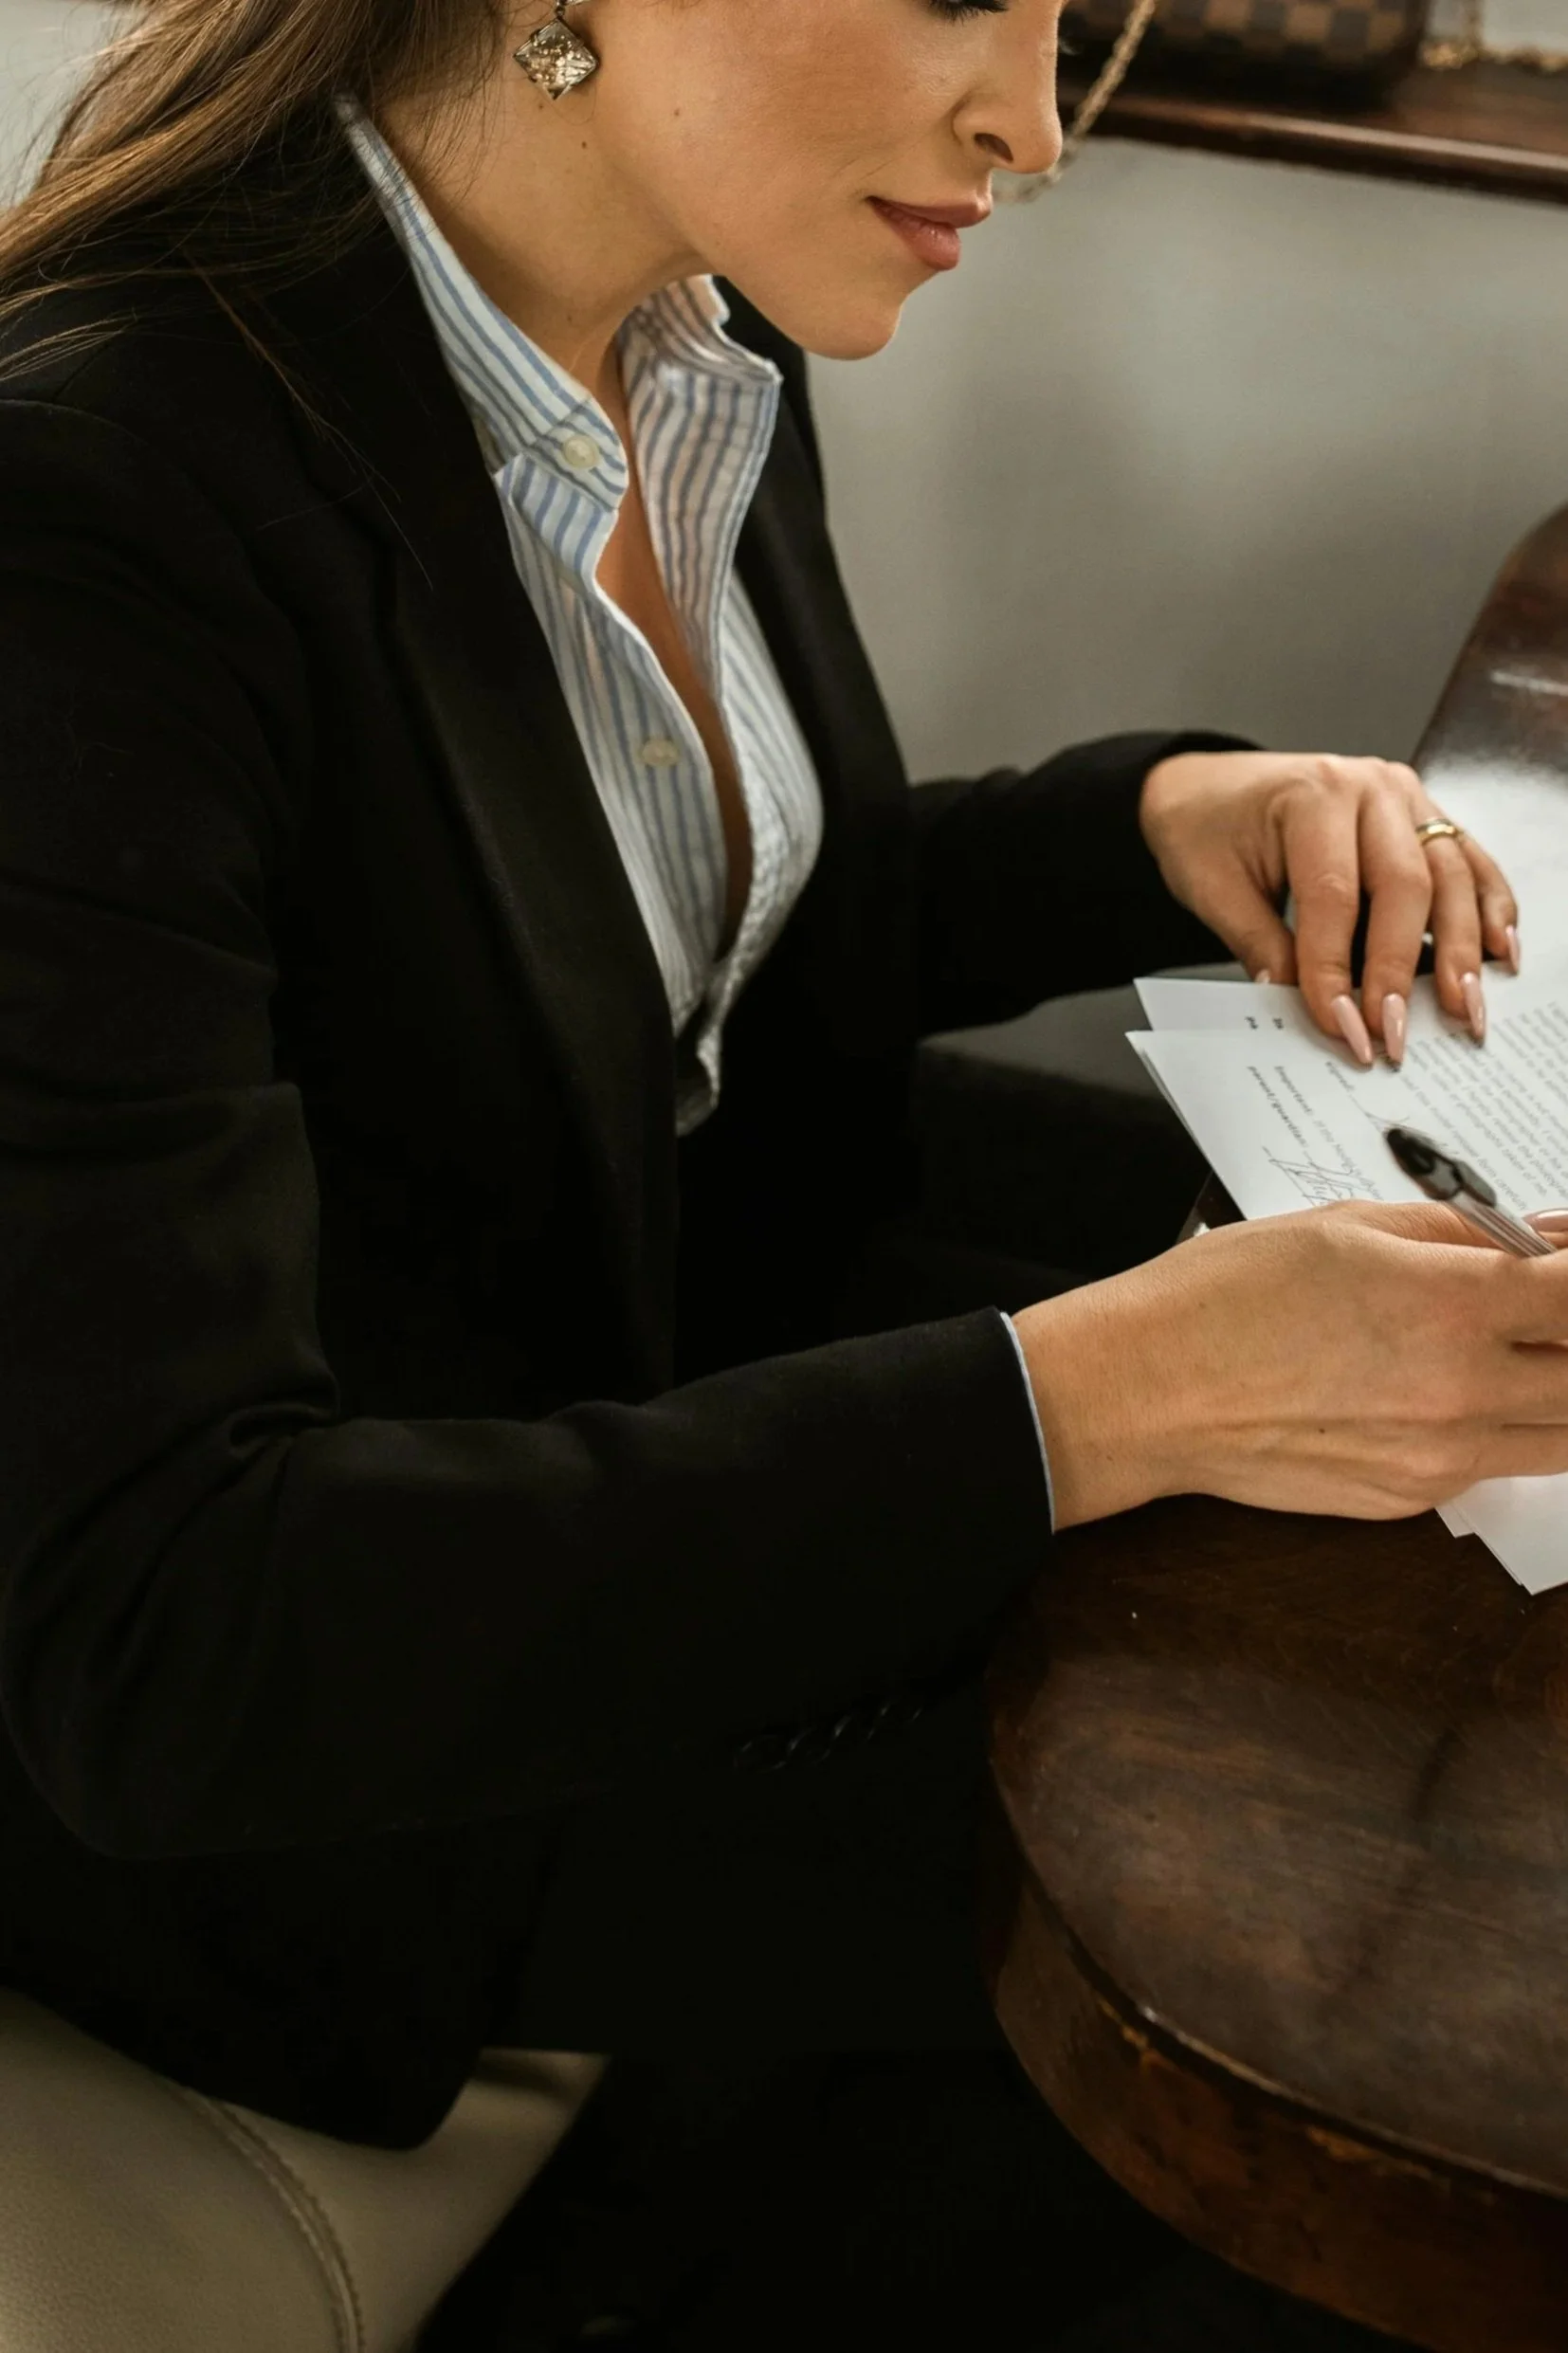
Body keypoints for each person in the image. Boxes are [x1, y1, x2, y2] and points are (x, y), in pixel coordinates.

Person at [0, 1, 1561, 2342]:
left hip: (649, 1402)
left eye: (1069, 16)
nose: (1031, 128)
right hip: (330, 1777)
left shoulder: (689, 328)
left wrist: (1147, 819)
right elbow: (169, 1648)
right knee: (1444, 1967)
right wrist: (1102, 1398)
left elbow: (656, 956)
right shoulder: (89, 523)